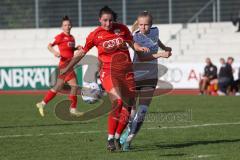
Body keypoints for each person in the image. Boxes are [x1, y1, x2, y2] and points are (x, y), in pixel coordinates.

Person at [60, 6, 150, 151]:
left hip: (127, 73)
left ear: (114, 20)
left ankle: (117, 137)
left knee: (128, 108)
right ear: (99, 20)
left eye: (110, 20)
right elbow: (82, 52)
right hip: (108, 72)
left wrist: (139, 48)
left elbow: (132, 43)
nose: (107, 24)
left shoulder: (122, 29)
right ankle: (110, 139)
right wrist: (68, 67)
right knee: (118, 102)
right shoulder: (95, 35)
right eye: (104, 20)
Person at [120, 11, 172, 151]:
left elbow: (156, 40)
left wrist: (164, 47)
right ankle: (126, 129)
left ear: (151, 24)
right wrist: (161, 54)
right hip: (136, 75)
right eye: (141, 25)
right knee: (131, 109)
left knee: (142, 111)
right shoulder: (136, 37)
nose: (143, 27)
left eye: (146, 25)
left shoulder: (155, 30)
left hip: (151, 76)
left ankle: (129, 140)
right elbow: (142, 57)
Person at [36, 16, 81, 117]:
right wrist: (55, 52)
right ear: (62, 27)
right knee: (74, 86)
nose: (67, 26)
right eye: (65, 25)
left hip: (69, 65)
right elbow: (49, 45)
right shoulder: (59, 37)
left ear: (71, 26)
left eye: (69, 25)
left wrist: (75, 48)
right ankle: (73, 109)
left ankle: (42, 103)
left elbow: (68, 49)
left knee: (58, 87)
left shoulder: (72, 37)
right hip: (64, 66)